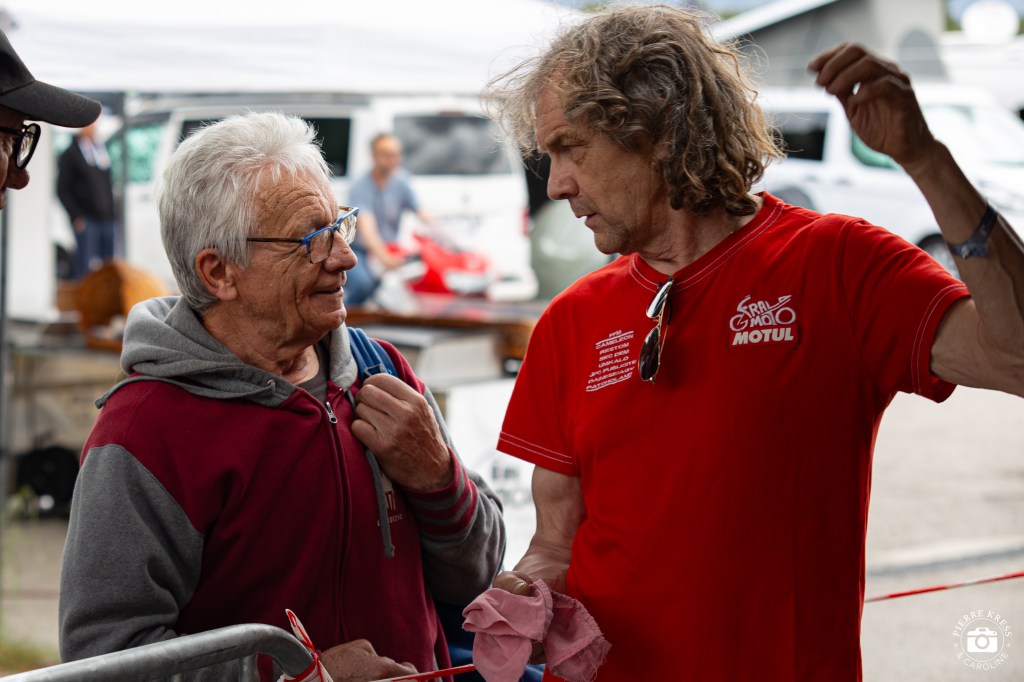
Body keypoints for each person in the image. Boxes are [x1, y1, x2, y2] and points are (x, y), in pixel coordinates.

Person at [483, 4, 1024, 680]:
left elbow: (1015, 356)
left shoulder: (835, 262)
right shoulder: (571, 320)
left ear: (656, 128)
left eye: (572, 148)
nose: (557, 183)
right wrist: (527, 594)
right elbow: (555, 544)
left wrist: (926, 160)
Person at [58, 112, 506, 681]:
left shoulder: (380, 371)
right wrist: (297, 676)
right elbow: (104, 662)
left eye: (341, 225)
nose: (345, 257)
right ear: (219, 272)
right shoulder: (145, 432)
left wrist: (439, 478)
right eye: (311, 239)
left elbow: (477, 576)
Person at [0, 29, 100, 209]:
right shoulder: (72, 153)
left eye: (20, 140)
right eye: (8, 141)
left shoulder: (96, 149)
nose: (21, 179)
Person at [345, 132, 437, 305]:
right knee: (363, 284)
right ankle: (343, 319)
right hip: (361, 251)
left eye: (397, 154)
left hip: (390, 248)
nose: (394, 159)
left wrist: (445, 238)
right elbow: (367, 228)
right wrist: (384, 256)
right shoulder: (360, 185)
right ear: (374, 156)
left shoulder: (401, 181)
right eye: (388, 155)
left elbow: (422, 212)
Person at [57, 113, 117, 280]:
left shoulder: (100, 150)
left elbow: (107, 184)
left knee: (109, 267)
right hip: (86, 220)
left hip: (106, 218)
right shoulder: (70, 154)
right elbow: (62, 190)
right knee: (84, 266)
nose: (93, 127)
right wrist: (76, 216)